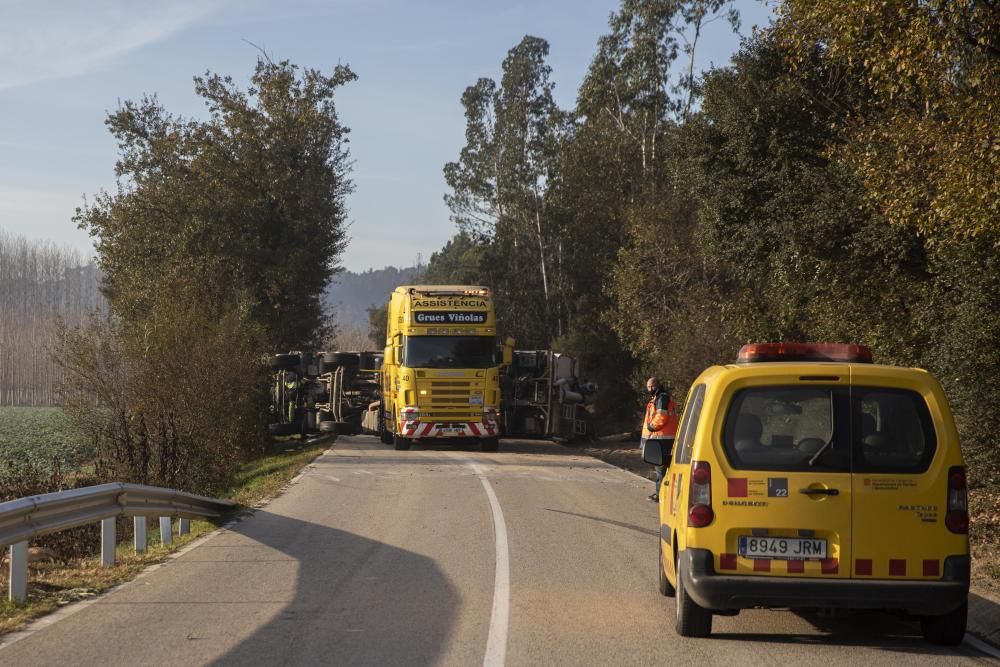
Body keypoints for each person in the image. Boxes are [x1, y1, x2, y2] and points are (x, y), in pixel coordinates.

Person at [641, 377, 679, 502]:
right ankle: (664, 494)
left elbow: (661, 416)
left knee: (660, 468)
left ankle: (660, 494)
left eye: (650, 387)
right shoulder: (659, 398)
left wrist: (652, 426)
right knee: (662, 468)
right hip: (662, 438)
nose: (648, 389)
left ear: (655, 386)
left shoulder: (661, 398)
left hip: (662, 439)